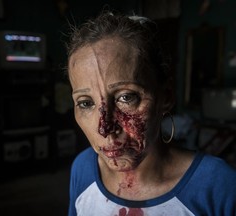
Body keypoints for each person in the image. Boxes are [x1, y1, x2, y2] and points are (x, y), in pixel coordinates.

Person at [66, 10, 236, 216]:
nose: (104, 128)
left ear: (166, 96)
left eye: (126, 97)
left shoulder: (218, 184)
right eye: (85, 103)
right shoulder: (83, 168)